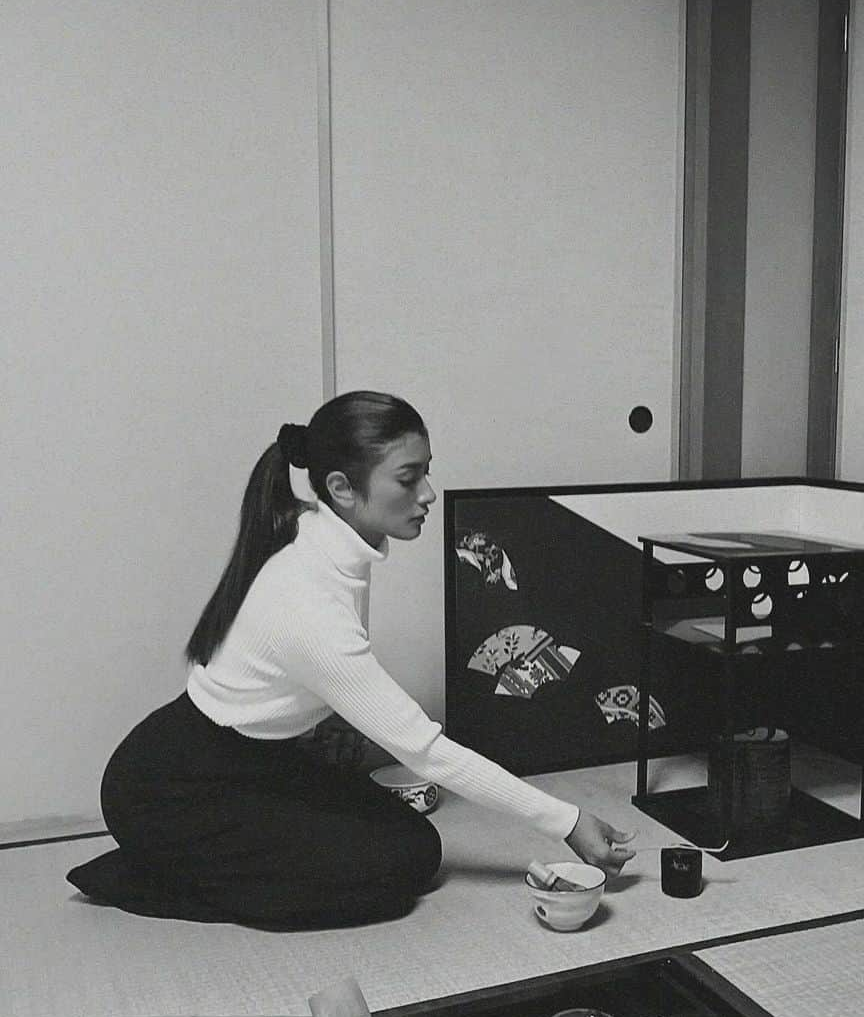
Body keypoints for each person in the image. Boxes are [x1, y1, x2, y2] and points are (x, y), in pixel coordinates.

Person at [67, 391, 636, 927]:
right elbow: (425, 749)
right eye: (409, 480)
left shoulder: (319, 536)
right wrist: (569, 820)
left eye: (426, 472)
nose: (429, 494)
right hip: (169, 790)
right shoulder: (309, 601)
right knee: (391, 877)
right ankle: (143, 875)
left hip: (252, 764)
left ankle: (204, 860)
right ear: (341, 487)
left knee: (415, 844)